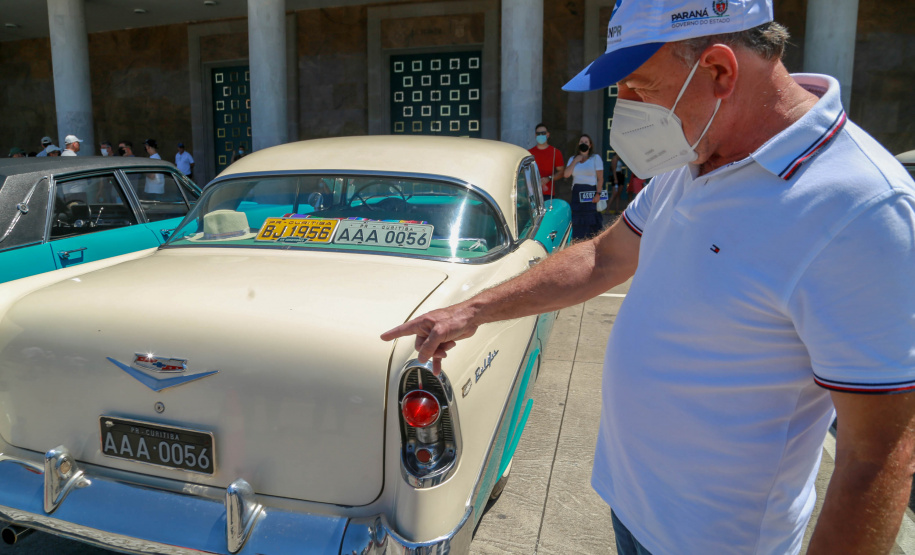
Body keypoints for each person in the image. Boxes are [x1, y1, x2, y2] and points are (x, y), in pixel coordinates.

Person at [381, 1, 915, 554]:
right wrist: (471, 310)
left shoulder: (862, 208)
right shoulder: (692, 159)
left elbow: (877, 454)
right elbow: (603, 259)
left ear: (719, 71)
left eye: (639, 87)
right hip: (630, 509)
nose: (626, 109)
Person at [563, 134, 604, 240]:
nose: (583, 144)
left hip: (590, 193)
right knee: (578, 223)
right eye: (581, 142)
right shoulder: (572, 159)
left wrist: (598, 194)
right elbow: (566, 174)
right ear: (578, 144)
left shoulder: (595, 158)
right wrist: (575, 161)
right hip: (577, 194)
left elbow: (600, 178)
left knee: (591, 222)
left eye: (586, 142)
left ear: (590, 145)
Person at [527, 123, 564, 203]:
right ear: (535, 135)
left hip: (548, 194)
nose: (541, 135)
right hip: (531, 192)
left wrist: (549, 178)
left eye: (543, 133)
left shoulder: (555, 152)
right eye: (538, 133)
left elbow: (561, 172)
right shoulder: (529, 153)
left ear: (548, 134)